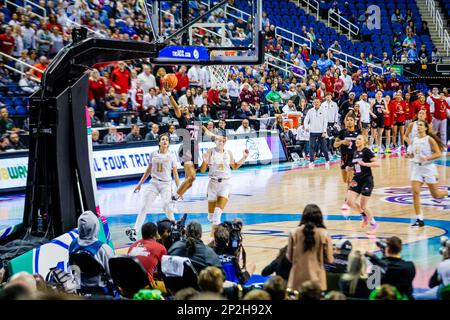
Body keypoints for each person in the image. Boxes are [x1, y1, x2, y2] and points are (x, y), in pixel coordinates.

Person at [126, 134, 180, 241]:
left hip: (166, 184)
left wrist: (179, 190)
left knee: (167, 207)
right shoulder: (153, 154)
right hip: (154, 183)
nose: (165, 141)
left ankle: (175, 228)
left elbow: (175, 174)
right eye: (163, 139)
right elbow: (148, 170)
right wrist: (139, 184)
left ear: (168, 143)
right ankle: (135, 231)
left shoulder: (172, 156)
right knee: (144, 207)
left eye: (167, 140)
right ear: (159, 142)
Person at [200, 134, 249, 236]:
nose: (220, 142)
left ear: (225, 142)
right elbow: (203, 170)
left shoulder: (228, 153)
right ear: (215, 141)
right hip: (212, 184)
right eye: (218, 140)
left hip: (225, 184)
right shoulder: (210, 152)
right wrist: (204, 161)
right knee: (211, 216)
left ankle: (213, 240)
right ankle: (216, 229)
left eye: (222, 140)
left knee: (217, 215)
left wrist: (244, 158)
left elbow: (234, 167)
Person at [407, 120, 448, 227]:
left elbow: (438, 153)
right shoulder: (414, 139)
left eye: (421, 125)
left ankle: (448, 192)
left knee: (436, 195)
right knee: (415, 193)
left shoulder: (429, 139)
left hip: (429, 168)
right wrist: (409, 155)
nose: (418, 127)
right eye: (417, 125)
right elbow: (413, 154)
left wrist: (427, 158)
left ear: (425, 128)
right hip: (417, 168)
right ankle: (419, 219)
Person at [286, 204, 334, 291]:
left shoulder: (293, 233)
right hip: (317, 280)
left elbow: (290, 257)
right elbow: (330, 259)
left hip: (296, 280)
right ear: (319, 217)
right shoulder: (324, 234)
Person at [68, 210, 114, 292]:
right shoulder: (103, 249)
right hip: (101, 291)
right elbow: (112, 275)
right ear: (96, 227)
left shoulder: (73, 244)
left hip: (81, 289)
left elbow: (73, 268)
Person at [346, 135, 380, 234]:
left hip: (367, 179)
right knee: (349, 201)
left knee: (364, 206)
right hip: (356, 179)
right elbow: (354, 166)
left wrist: (365, 164)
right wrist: (350, 168)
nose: (357, 140)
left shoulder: (367, 151)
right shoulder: (355, 153)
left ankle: (373, 224)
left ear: (364, 141)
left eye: (359, 139)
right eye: (356, 139)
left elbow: (378, 163)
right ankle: (364, 216)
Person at [334, 111, 360, 212]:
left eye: (351, 120)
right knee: (345, 180)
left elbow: (364, 143)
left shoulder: (358, 132)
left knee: (349, 179)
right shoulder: (342, 132)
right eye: (347, 120)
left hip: (354, 157)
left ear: (354, 122)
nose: (349, 122)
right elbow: (335, 145)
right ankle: (354, 190)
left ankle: (347, 200)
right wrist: (341, 142)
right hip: (344, 157)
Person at [304, 98, 330, 169]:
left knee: (324, 147)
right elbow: (306, 120)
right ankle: (311, 161)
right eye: (315, 102)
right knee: (311, 146)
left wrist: (324, 131)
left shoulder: (323, 111)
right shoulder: (310, 111)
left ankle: (327, 160)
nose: (316, 103)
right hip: (312, 131)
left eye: (317, 102)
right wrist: (306, 127)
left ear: (320, 103)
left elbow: (325, 122)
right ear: (313, 103)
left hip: (321, 132)